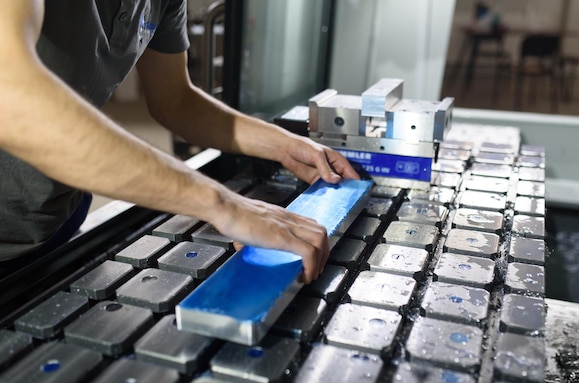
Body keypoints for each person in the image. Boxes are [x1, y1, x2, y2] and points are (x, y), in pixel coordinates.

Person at [0, 1, 360, 282]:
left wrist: (283, 145)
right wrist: (223, 204)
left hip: (52, 220)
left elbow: (175, 99)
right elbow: (10, 97)